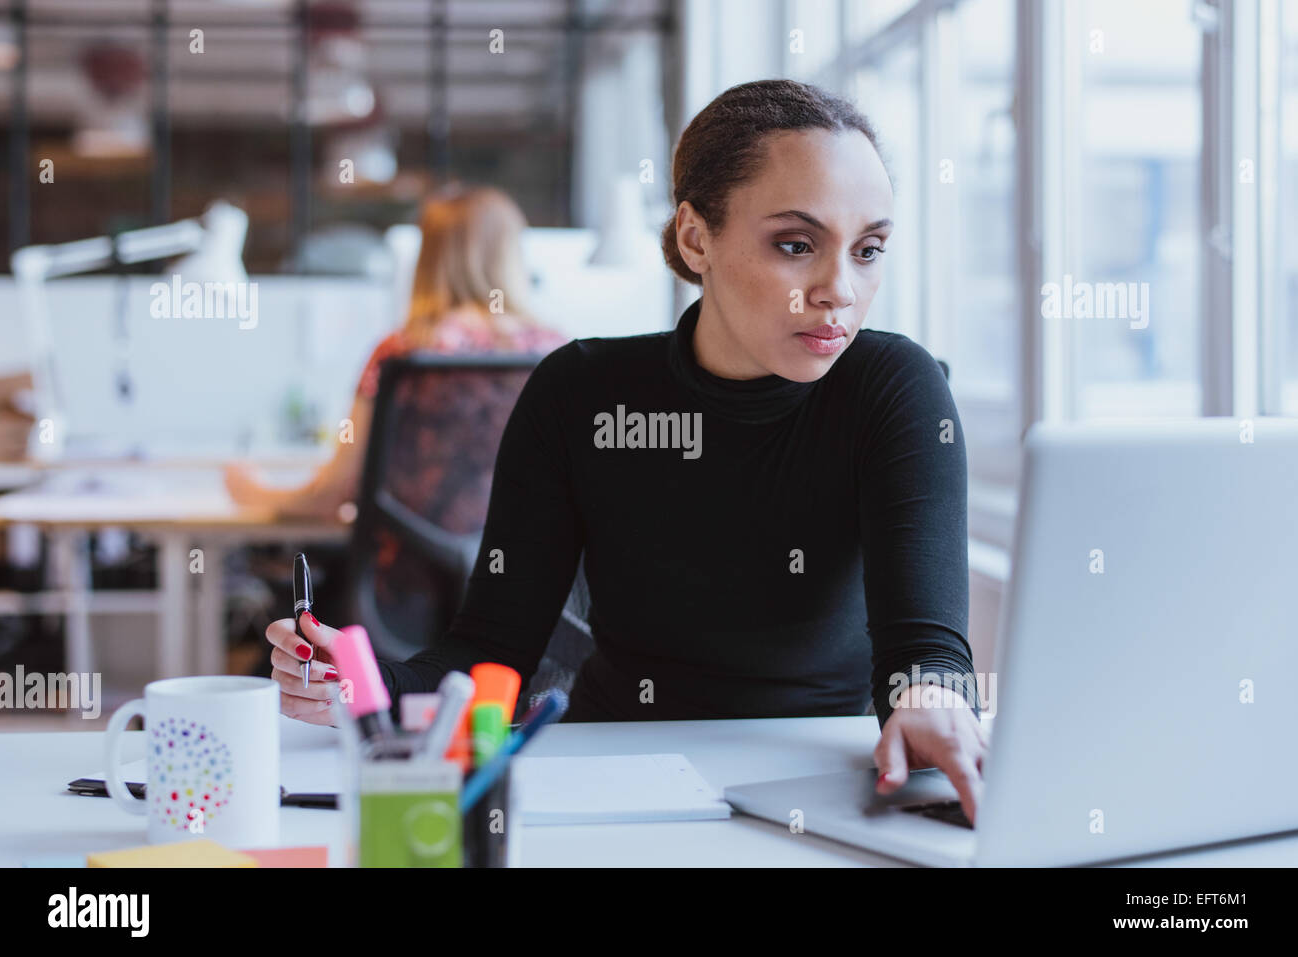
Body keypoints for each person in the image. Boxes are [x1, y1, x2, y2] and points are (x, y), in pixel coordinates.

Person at [266, 79, 990, 823]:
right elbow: (490, 657)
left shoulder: (892, 387)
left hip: (820, 772)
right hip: (615, 774)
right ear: (694, 237)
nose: (839, 289)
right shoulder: (580, 390)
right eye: (796, 244)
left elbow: (926, 651)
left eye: (868, 249)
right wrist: (354, 681)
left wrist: (932, 703)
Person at [223, 184, 568, 519]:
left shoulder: (402, 351)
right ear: (511, 257)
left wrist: (249, 489)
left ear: (428, 261)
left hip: (412, 573)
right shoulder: (559, 356)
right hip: (530, 576)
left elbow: (331, 494)